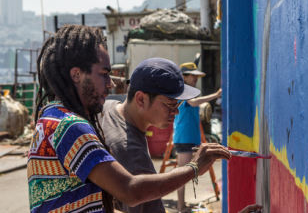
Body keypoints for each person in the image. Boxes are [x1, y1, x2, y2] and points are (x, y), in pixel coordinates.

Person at [27, 24, 231, 213]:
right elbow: (130, 190)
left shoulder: (51, 116)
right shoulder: (70, 126)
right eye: (104, 74)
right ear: (77, 75)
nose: (111, 84)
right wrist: (193, 168)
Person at [100, 58, 203, 212]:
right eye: (170, 104)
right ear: (141, 99)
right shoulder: (133, 155)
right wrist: (194, 167)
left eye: (178, 104)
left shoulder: (108, 107)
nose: (176, 111)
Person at [173, 62, 222, 212]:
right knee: (182, 174)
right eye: (192, 76)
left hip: (190, 138)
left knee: (187, 173)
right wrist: (215, 95)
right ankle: (181, 207)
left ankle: (183, 204)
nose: (195, 79)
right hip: (184, 138)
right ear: (184, 77)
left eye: (196, 76)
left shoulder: (190, 91)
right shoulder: (182, 91)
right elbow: (193, 103)